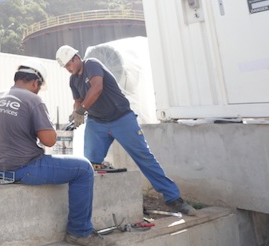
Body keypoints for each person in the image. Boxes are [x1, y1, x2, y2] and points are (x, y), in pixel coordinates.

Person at [0, 57, 115, 246]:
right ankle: (79, 232)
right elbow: (50, 140)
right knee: (84, 168)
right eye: (38, 87)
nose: (38, 91)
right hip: (20, 168)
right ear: (35, 82)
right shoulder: (33, 100)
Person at [55, 45, 196, 216]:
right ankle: (94, 206)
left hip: (121, 118)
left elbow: (97, 88)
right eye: (65, 67)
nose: (67, 69)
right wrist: (76, 112)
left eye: (68, 65)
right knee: (90, 165)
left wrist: (81, 110)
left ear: (76, 58)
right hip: (97, 122)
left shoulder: (92, 64)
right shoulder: (73, 80)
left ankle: (173, 198)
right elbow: (78, 100)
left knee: (144, 157)